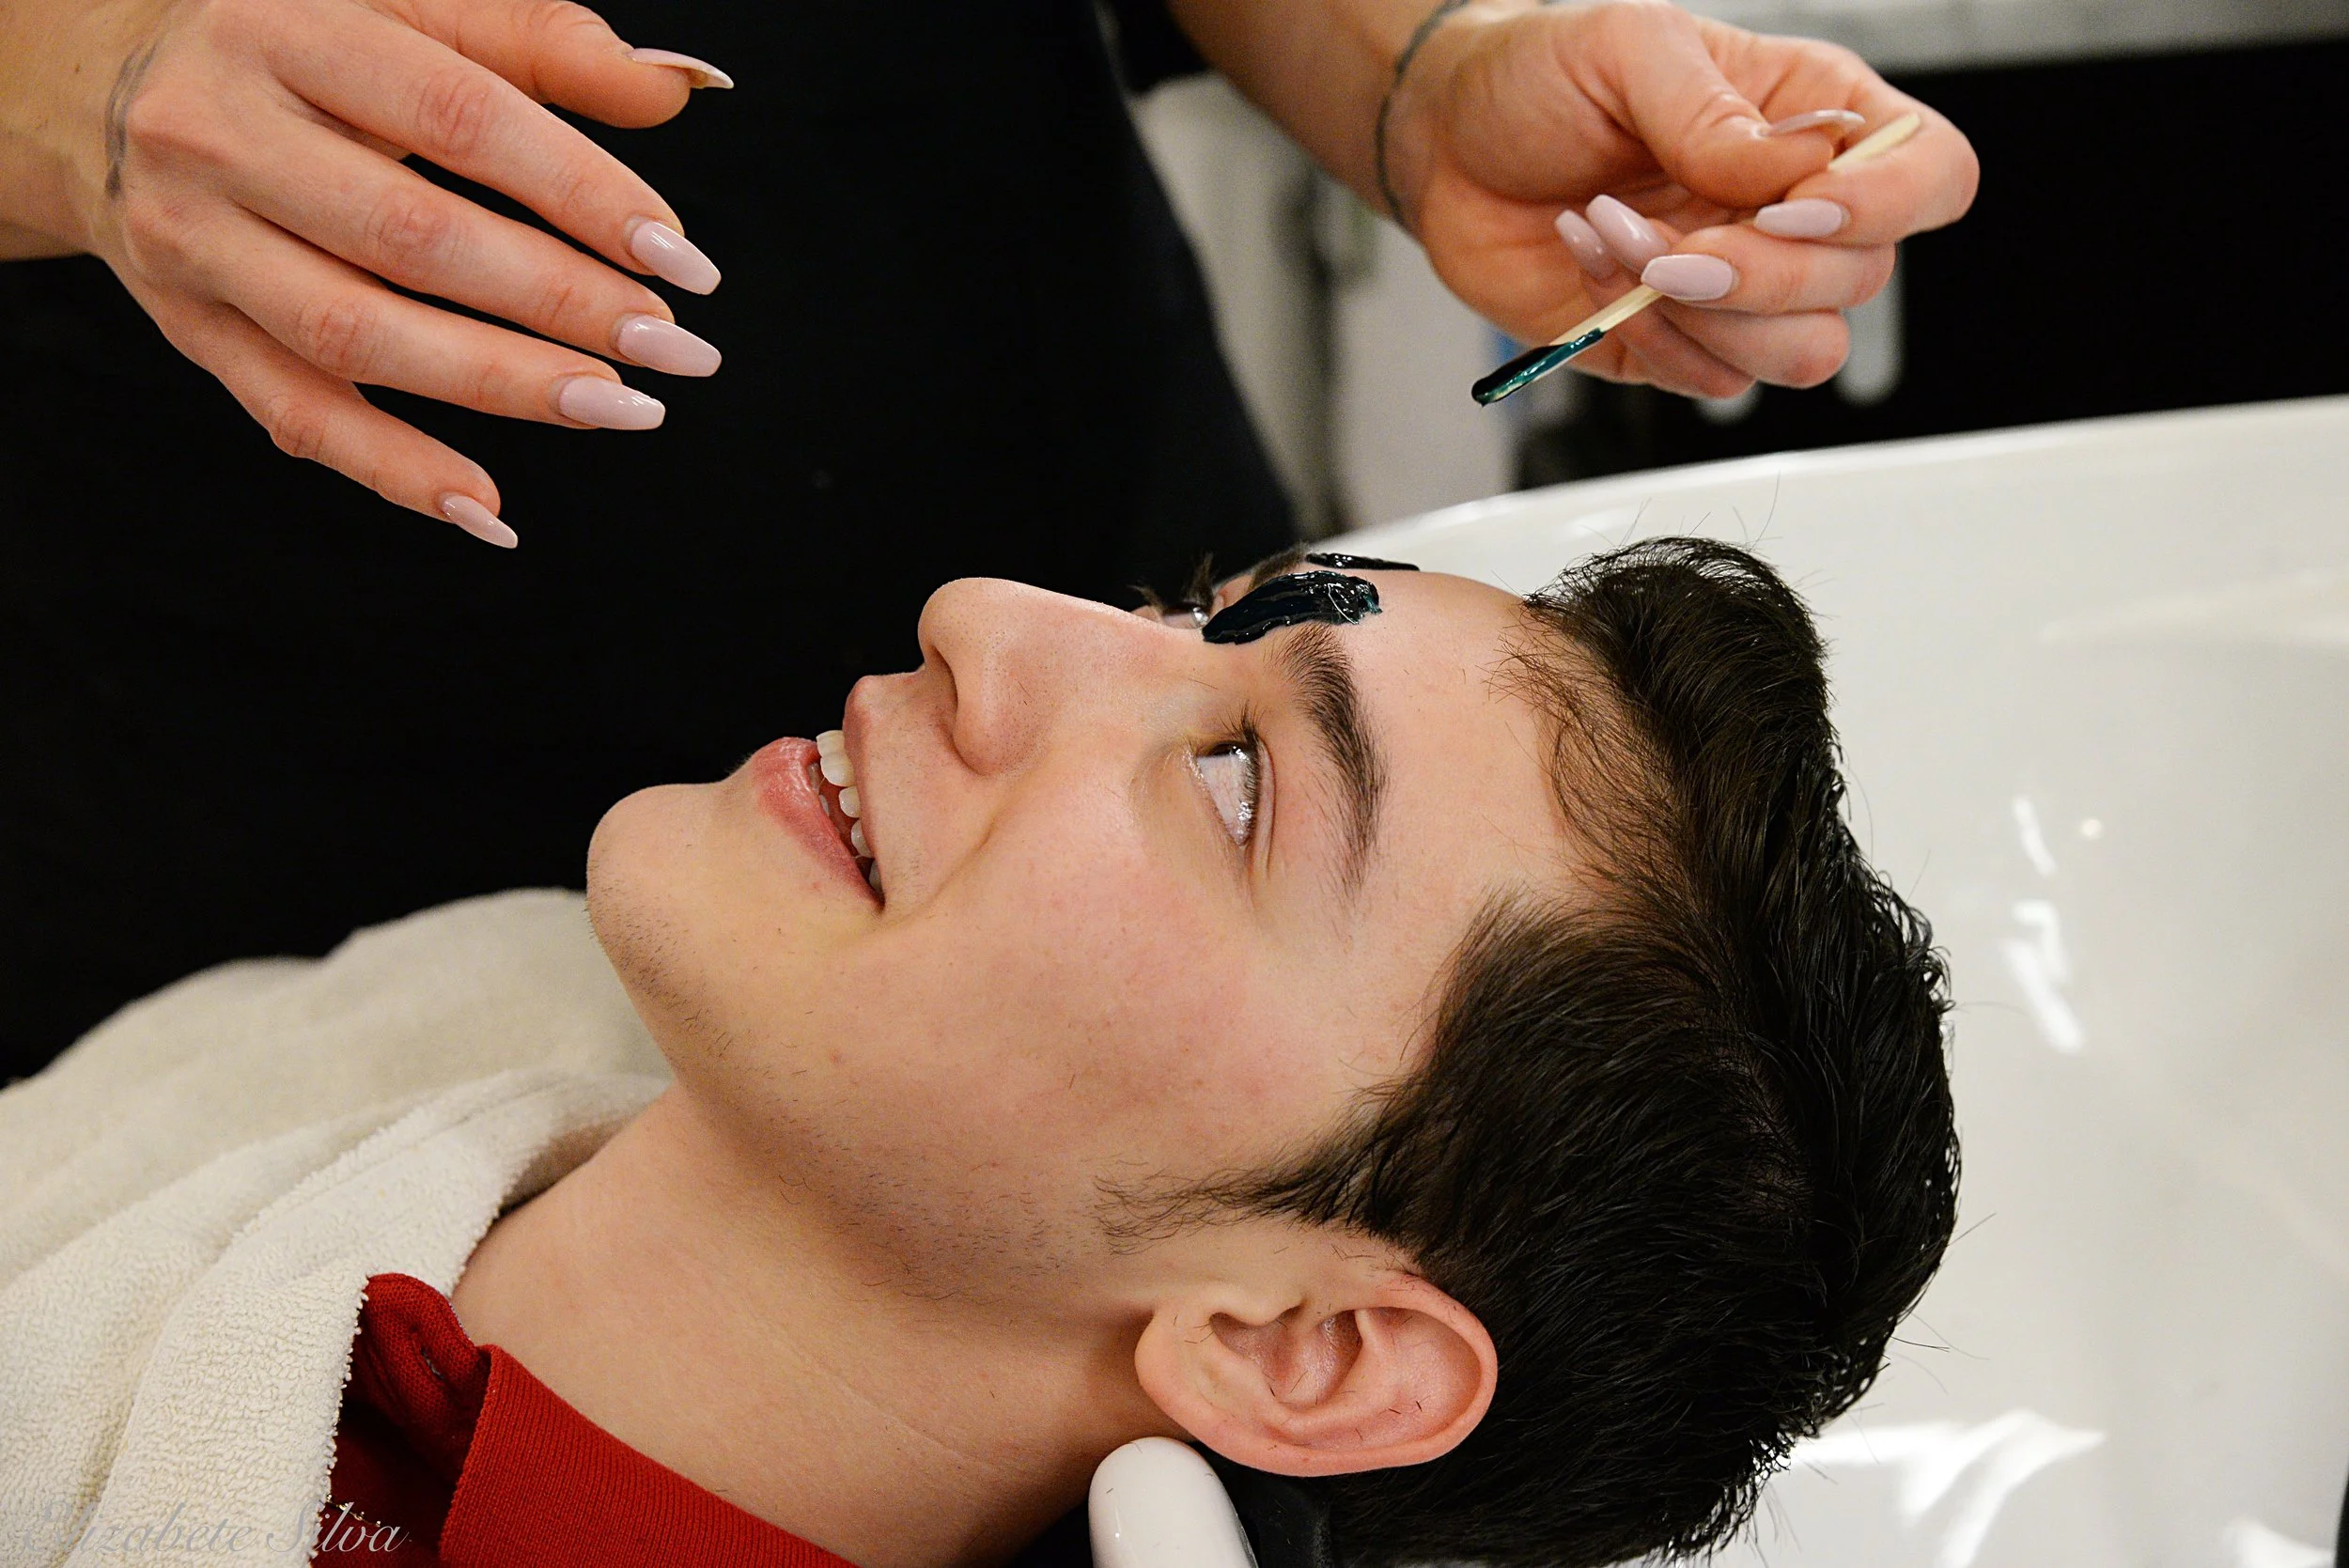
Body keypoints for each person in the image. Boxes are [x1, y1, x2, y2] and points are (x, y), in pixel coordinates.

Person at [0, 0, 1978, 1074]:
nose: (974, 625)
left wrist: (1419, 74)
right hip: (199, 716)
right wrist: (65, 92)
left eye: (1231, 744)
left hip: (1035, 375)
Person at [0, 540, 1959, 1568]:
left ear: (1304, 1347)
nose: (983, 617)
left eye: (1237, 783)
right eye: (1181, 608)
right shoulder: (418, 1022)